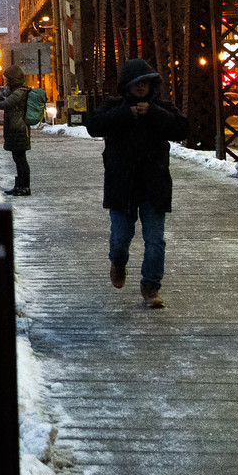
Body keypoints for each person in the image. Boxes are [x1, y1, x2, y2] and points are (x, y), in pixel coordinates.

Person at [87, 58, 187, 309]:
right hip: (123, 187)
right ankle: (118, 262)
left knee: (155, 241)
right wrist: (125, 114)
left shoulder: (162, 108)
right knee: (120, 240)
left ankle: (151, 286)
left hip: (154, 187)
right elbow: (93, 126)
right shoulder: (113, 106)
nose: (141, 87)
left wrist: (153, 113)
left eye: (145, 82)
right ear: (127, 85)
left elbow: (182, 129)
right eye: (136, 83)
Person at [0, 69, 38, 196]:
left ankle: (24, 187)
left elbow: (4, 105)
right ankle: (20, 186)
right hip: (17, 128)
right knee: (18, 158)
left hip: (19, 129)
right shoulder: (18, 91)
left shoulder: (19, 93)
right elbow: (6, 100)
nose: (6, 82)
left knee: (20, 159)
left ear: (13, 80)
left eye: (7, 79)